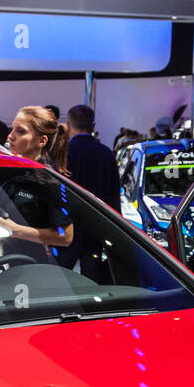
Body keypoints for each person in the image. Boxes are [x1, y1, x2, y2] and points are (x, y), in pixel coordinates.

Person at [0, 106, 74, 263]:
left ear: (41, 141)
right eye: (12, 129)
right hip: (1, 263)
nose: (11, 136)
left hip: (30, 268)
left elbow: (66, 236)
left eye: (21, 131)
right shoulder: (11, 173)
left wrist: (15, 230)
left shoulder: (49, 181)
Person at [64, 104, 118, 276]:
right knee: (92, 278)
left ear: (68, 124)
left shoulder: (64, 153)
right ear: (93, 126)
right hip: (97, 226)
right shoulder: (106, 154)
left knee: (58, 277)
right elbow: (113, 194)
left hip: (66, 227)